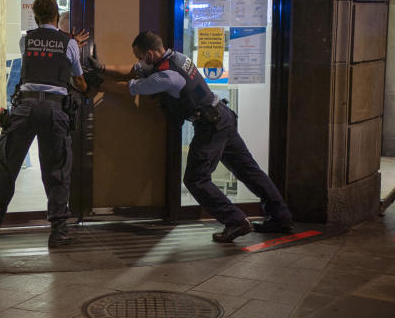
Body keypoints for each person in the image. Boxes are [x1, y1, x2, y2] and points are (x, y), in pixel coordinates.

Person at [101, 30, 292, 243]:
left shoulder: (167, 76)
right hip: (223, 117)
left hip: (211, 126)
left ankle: (235, 221)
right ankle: (280, 218)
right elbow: (133, 70)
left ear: (151, 54)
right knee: (249, 171)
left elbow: (130, 88)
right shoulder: (177, 57)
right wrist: (101, 68)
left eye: (140, 56)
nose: (139, 62)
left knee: (196, 180)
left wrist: (97, 84)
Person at [0, 0, 88, 247]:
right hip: (55, 109)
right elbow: (79, 81)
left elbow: (41, 54)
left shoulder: (26, 39)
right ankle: (59, 230)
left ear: (36, 16)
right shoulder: (70, 44)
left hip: (25, 107)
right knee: (56, 168)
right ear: (56, 15)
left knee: (8, 165)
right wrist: (72, 46)